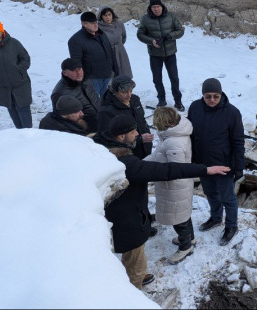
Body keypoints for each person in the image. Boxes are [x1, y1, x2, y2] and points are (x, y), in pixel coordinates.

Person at [93, 114, 230, 289]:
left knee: (134, 254)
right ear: (121, 137)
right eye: (133, 131)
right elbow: (168, 169)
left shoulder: (100, 146)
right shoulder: (126, 163)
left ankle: (137, 275)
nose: (137, 134)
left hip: (118, 214)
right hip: (128, 220)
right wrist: (205, 170)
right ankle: (134, 288)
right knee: (135, 255)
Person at [187, 78, 245, 246]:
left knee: (227, 198)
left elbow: (238, 141)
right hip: (203, 163)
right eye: (208, 96)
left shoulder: (232, 113)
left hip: (223, 164)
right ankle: (215, 217)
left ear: (221, 95)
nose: (212, 100)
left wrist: (239, 166)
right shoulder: (195, 108)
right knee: (210, 193)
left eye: (215, 96)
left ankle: (231, 226)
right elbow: (190, 134)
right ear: (202, 95)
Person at [145, 107, 195, 264]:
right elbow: (159, 156)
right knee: (183, 214)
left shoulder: (174, 142)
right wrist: (140, 164)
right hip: (177, 186)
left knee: (178, 218)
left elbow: (176, 169)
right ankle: (190, 239)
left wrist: (154, 171)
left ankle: (185, 246)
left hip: (174, 187)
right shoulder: (174, 135)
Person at [136, 0, 185, 111]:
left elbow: (180, 30)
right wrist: (151, 41)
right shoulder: (145, 19)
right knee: (157, 79)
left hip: (170, 53)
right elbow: (140, 34)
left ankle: (178, 101)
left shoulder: (171, 16)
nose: (156, 9)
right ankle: (161, 100)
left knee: (174, 78)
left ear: (162, 7)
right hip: (155, 55)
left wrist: (171, 35)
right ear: (150, 8)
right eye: (154, 7)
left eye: (158, 6)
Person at [98, 75, 153, 159]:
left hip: (145, 148)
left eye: (131, 91)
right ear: (114, 91)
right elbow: (108, 139)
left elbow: (141, 119)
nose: (129, 95)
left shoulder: (135, 100)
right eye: (124, 92)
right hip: (128, 155)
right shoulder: (106, 111)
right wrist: (139, 140)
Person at [68, 11, 118, 99]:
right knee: (93, 103)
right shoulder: (75, 40)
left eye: (96, 22)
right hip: (91, 78)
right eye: (92, 23)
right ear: (84, 24)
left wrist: (116, 69)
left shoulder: (101, 34)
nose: (95, 25)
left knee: (106, 101)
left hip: (107, 75)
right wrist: (82, 79)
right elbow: (76, 62)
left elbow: (110, 53)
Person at [51, 58, 100, 133]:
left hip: (100, 124)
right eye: (74, 70)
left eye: (80, 69)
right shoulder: (60, 92)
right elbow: (61, 120)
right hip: (84, 131)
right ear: (65, 73)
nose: (79, 73)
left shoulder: (86, 81)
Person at [98, 6, 133, 78]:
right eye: (105, 15)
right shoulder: (99, 27)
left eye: (109, 15)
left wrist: (119, 46)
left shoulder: (119, 24)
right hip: (108, 54)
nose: (107, 17)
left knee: (124, 72)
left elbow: (123, 36)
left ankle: (124, 88)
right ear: (101, 16)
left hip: (120, 52)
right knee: (111, 75)